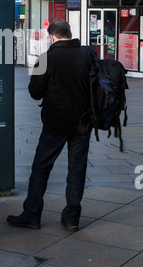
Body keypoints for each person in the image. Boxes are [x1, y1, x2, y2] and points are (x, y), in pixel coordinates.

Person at [7, 19, 96, 232]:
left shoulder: (47, 58)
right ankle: (72, 217)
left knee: (41, 168)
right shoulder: (88, 54)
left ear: (52, 37)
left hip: (55, 124)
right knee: (77, 169)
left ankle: (32, 214)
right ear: (70, 33)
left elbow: (35, 92)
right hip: (83, 123)